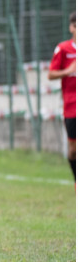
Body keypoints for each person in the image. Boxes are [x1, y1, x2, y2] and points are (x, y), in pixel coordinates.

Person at [48, 11, 76, 181]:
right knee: (73, 148)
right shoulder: (63, 49)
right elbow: (51, 74)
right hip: (71, 106)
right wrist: (68, 71)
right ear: (72, 27)